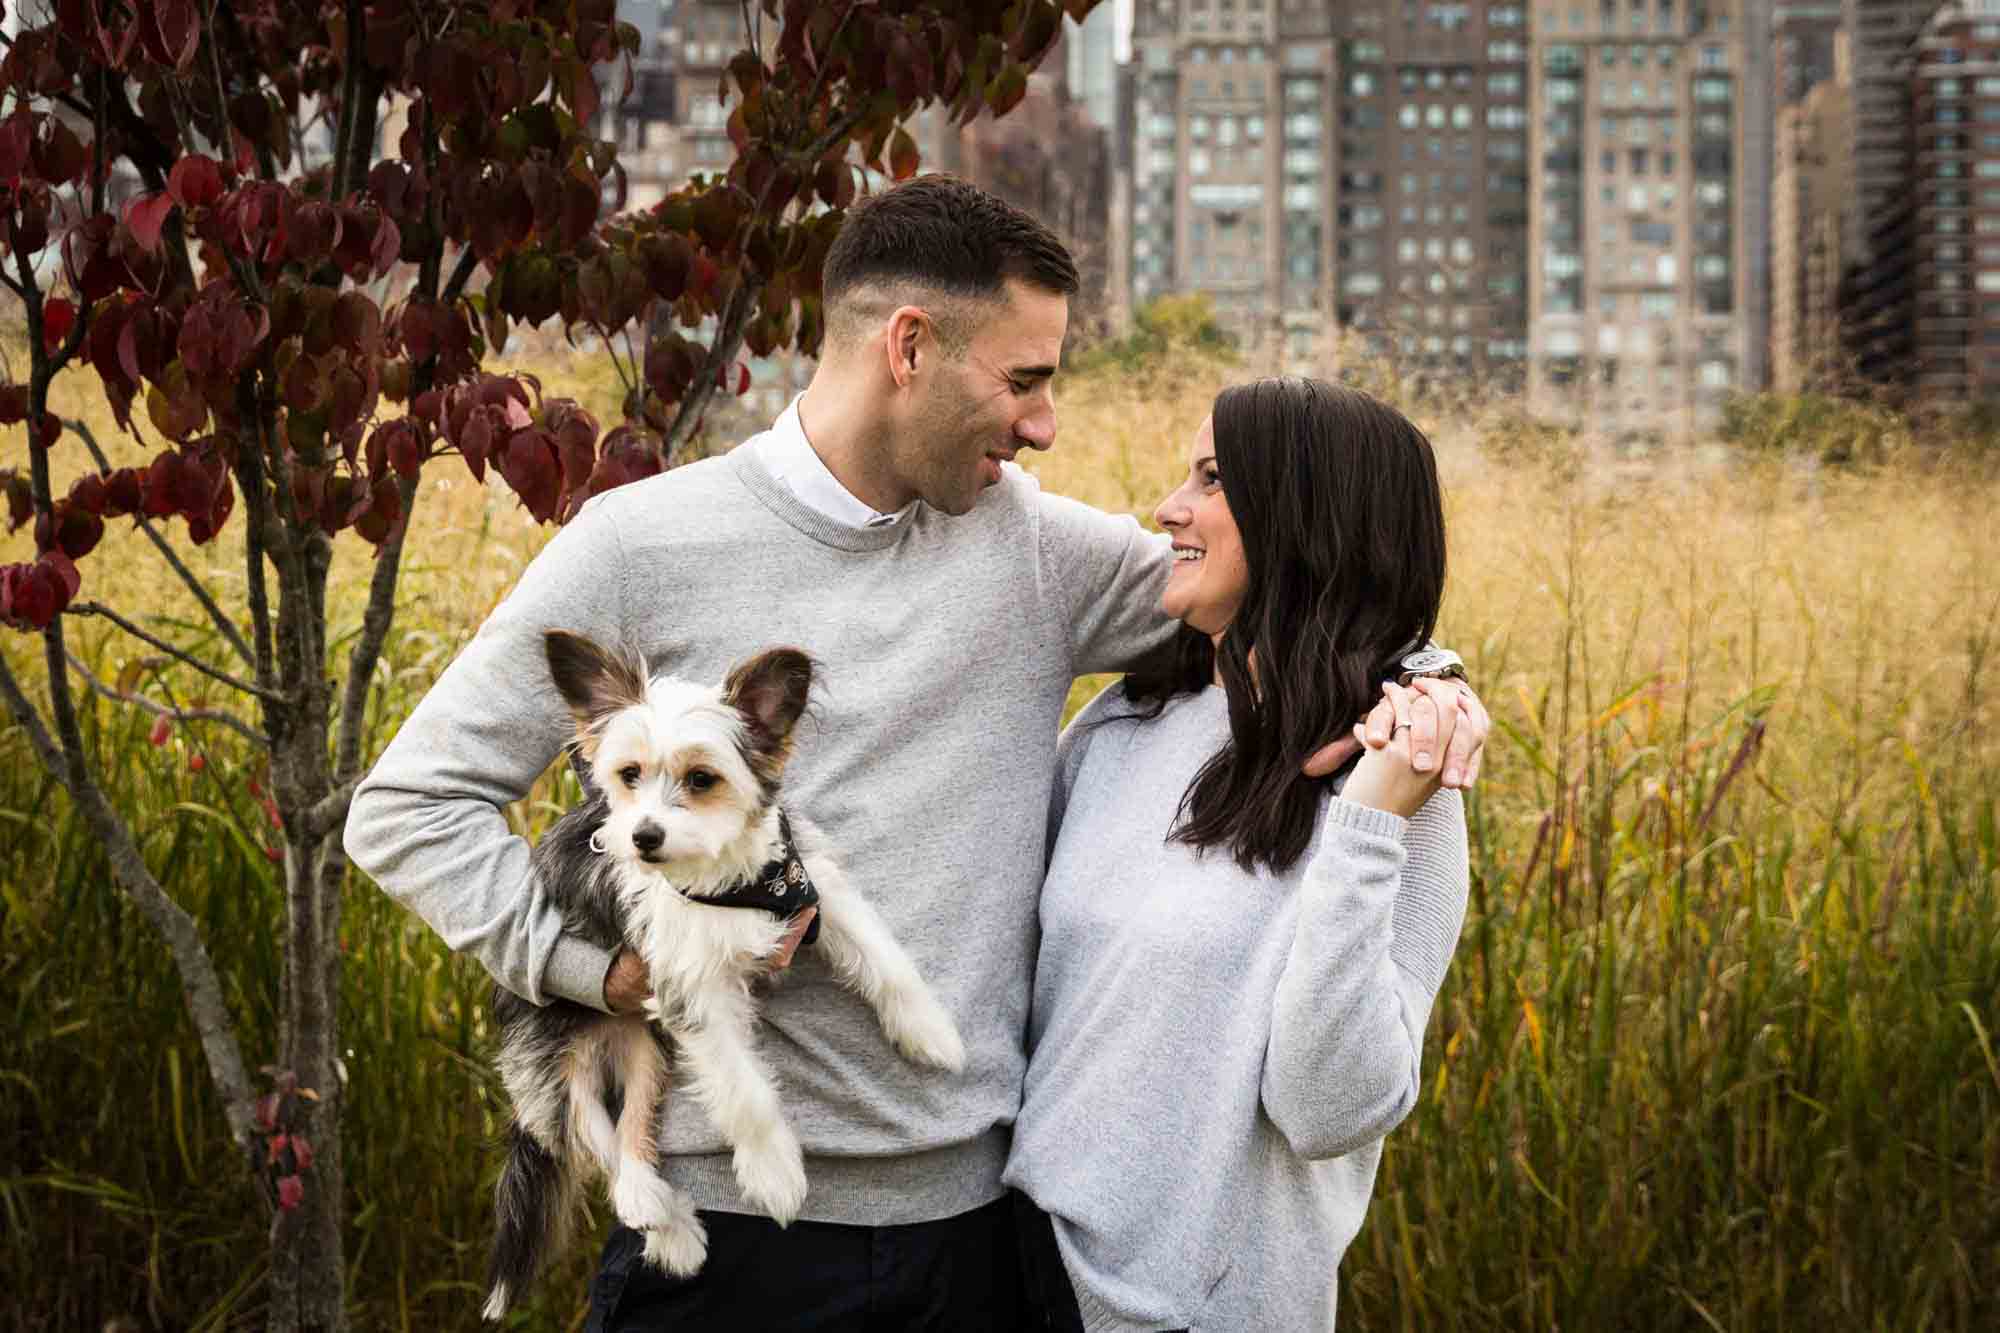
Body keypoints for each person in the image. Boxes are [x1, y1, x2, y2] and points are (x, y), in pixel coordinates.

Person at [342, 177, 1489, 1330]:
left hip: (984, 1246)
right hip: (728, 1239)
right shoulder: (642, 545)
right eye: (1023, 379)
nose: (1042, 424)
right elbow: (408, 807)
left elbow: (1298, 588)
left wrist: (1430, 690)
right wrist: (604, 975)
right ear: (908, 346)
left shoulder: (1036, 551)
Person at [1004, 377, 1472, 1332]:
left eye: (1213, 480)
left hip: (1197, 1313)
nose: (1168, 508)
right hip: (1016, 1276)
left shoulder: (1400, 787)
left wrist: (1372, 819)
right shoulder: (1125, 720)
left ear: (1309, 521)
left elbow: (1327, 1106)